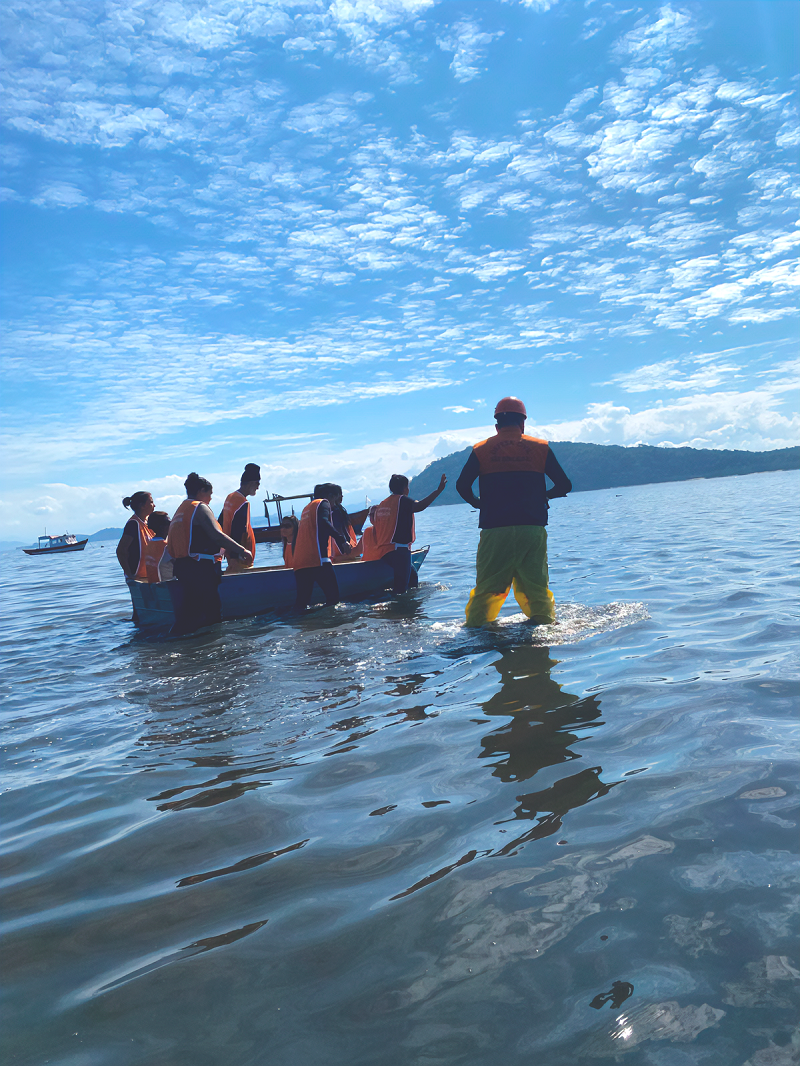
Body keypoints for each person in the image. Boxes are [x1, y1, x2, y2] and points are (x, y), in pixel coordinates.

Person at [455, 396, 571, 627]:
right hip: (532, 527)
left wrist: (478, 503)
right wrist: (545, 496)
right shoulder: (541, 448)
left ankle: (476, 630)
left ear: (496, 426)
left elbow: (461, 486)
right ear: (523, 424)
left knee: (488, 587)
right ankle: (545, 624)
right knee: (537, 586)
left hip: (495, 528)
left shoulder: (481, 450)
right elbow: (565, 485)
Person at [167, 472, 253, 635]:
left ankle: (181, 644)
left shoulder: (181, 510)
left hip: (183, 567)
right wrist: (241, 549)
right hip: (201, 568)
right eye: (210, 494)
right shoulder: (198, 507)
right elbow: (216, 535)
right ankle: (212, 650)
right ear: (201, 491)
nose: (210, 499)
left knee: (191, 611)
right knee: (211, 613)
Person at [364, 472, 447, 594]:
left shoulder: (383, 504)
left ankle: (408, 609)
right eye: (407, 486)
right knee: (401, 590)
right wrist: (438, 490)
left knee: (412, 577)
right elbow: (420, 506)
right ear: (404, 488)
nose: (408, 489)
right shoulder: (402, 500)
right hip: (399, 551)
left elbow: (375, 521)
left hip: (384, 552)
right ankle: (399, 609)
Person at [291, 484, 352, 610]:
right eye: (336, 498)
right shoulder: (323, 503)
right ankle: (332, 628)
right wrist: (341, 540)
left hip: (300, 562)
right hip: (318, 560)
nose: (336, 503)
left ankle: (303, 627)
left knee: (301, 604)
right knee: (333, 600)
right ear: (329, 496)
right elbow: (324, 522)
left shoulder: (306, 509)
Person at [221, 463, 260, 573]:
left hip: (232, 553)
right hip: (240, 557)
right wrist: (235, 556)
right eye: (257, 484)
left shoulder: (230, 498)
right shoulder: (242, 502)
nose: (258, 487)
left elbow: (221, 522)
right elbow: (238, 530)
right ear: (251, 484)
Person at [116, 491, 155, 580]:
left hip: (150, 575)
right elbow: (121, 551)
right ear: (142, 505)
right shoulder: (133, 524)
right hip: (138, 577)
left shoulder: (148, 522)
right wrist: (130, 574)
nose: (154, 505)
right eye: (151, 502)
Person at [328, 484, 368, 561]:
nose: (342, 497)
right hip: (343, 549)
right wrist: (344, 543)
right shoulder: (336, 511)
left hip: (340, 548)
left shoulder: (336, 511)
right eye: (340, 495)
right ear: (335, 496)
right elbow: (339, 529)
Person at [142, 511, 174, 583]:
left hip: (156, 588)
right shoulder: (166, 546)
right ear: (162, 527)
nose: (171, 524)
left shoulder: (149, 545)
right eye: (169, 522)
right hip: (168, 587)